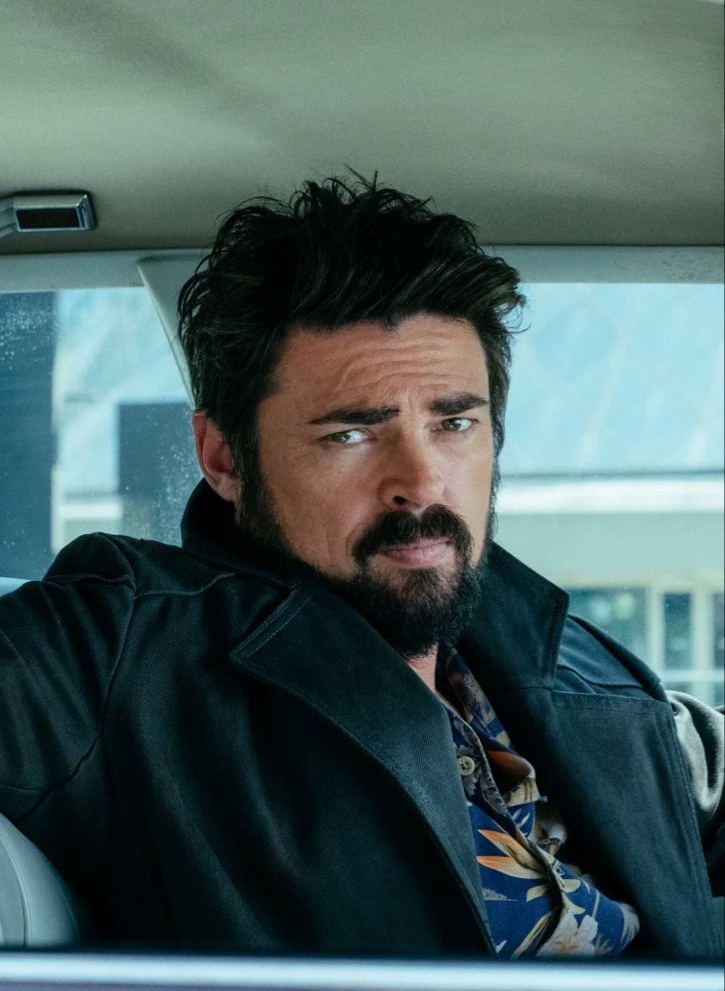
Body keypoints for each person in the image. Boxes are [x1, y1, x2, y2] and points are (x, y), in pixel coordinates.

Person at [0, 175, 722, 959]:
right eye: (349, 434)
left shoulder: (582, 673)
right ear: (223, 457)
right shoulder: (124, 656)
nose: (420, 481)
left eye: (454, 423)